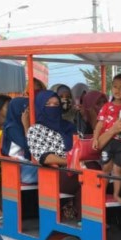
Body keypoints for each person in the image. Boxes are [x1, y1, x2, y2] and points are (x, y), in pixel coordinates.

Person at [26, 90, 80, 219]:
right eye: (48, 104)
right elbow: (44, 157)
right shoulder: (35, 130)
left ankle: (81, 215)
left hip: (77, 169)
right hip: (54, 173)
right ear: (40, 107)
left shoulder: (69, 126)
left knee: (95, 175)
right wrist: (70, 161)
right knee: (91, 178)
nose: (53, 108)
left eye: (56, 104)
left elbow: (81, 146)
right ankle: (82, 217)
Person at [92, 74, 121, 204]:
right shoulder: (106, 107)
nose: (117, 90)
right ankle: (101, 193)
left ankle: (116, 195)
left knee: (118, 170)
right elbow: (99, 124)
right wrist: (95, 139)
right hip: (107, 142)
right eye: (115, 87)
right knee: (106, 168)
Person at [1, 97, 37, 184]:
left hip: (27, 164)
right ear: (18, 110)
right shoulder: (12, 127)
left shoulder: (26, 124)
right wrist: (26, 126)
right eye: (27, 109)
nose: (29, 112)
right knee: (49, 171)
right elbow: (28, 146)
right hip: (18, 168)